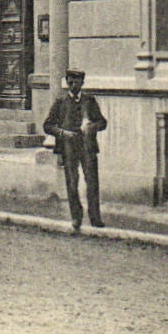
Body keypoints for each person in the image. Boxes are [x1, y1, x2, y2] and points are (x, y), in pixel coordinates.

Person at [43, 67, 108, 232]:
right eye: (70, 82)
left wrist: (92, 127)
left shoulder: (89, 101)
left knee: (92, 182)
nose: (73, 85)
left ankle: (95, 218)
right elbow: (48, 126)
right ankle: (76, 217)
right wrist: (63, 133)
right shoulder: (60, 102)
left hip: (88, 148)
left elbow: (103, 122)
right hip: (69, 148)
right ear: (66, 82)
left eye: (76, 82)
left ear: (82, 83)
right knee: (72, 183)